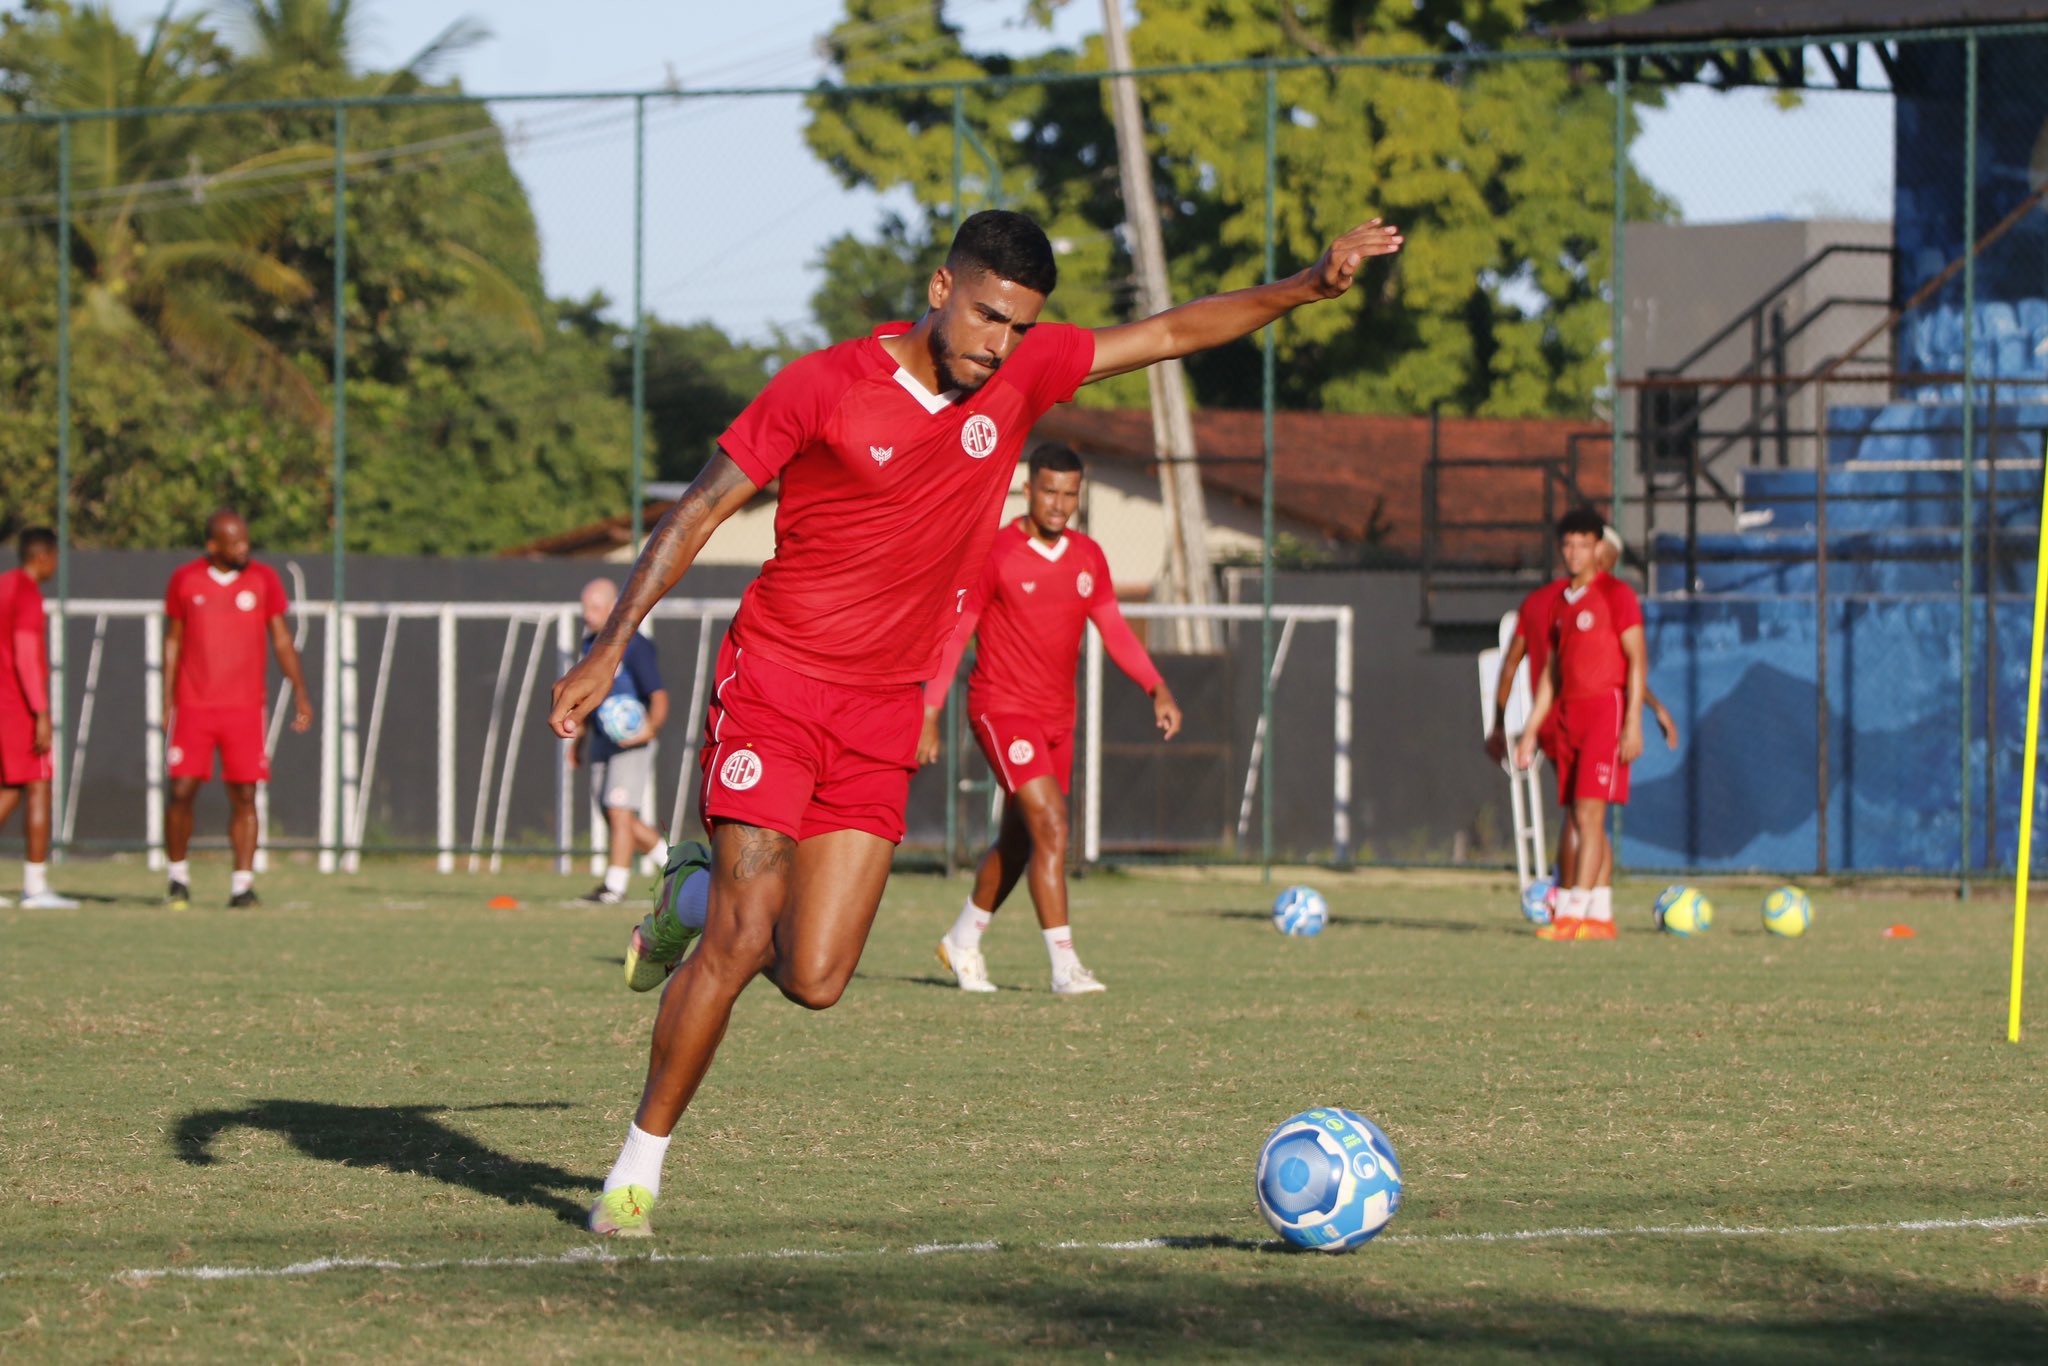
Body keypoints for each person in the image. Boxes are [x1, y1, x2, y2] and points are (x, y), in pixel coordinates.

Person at [549, 207, 1404, 1238]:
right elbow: (698, 507)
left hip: (880, 708)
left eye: (1019, 326)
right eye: (989, 316)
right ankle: (635, 1169)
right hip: (774, 680)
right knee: (739, 935)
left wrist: (1308, 286)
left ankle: (681, 887)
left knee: (814, 978)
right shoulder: (821, 386)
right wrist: (611, 644)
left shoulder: (1021, 375)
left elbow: (1172, 333)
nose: (998, 345)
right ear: (939, 287)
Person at [918, 443, 1179, 996]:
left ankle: (962, 940)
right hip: (1002, 709)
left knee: (1021, 840)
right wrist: (929, 711)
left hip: (1059, 719)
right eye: (1049, 491)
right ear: (1029, 490)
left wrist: (1155, 686)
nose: (1059, 504)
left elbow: (1115, 630)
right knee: (1055, 826)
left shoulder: (1089, 557)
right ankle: (1065, 966)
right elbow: (956, 635)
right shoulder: (996, 551)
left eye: (1070, 494)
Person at [1486, 525, 1677, 896]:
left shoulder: (1544, 601)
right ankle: (1574, 899)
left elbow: (1512, 664)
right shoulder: (1590, 601)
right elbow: (1619, 666)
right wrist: (1648, 710)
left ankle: (1587, 900)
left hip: (1549, 719)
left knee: (1584, 815)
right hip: (1580, 716)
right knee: (1583, 815)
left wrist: (1501, 724)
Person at [162, 510, 314, 909]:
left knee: (245, 793)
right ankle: (177, 878)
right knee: (181, 790)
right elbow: (173, 642)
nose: (243, 547)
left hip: (244, 708)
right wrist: (165, 700)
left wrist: (299, 689)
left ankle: (241, 886)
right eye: (235, 541)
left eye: (246, 539)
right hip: (194, 705)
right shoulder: (185, 579)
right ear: (214, 546)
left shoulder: (263, 579)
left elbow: (281, 639)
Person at [1514, 509, 1646, 941]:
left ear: (1599, 548)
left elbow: (1637, 660)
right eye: (1568, 544)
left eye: (1584, 544)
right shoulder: (1558, 603)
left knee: (1589, 816)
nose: (1575, 553)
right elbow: (1551, 674)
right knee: (1581, 815)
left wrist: (1632, 723)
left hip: (1604, 713)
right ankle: (1601, 915)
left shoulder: (1616, 594)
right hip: (1567, 716)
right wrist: (1532, 730)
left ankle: (1571, 913)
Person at [571, 577, 671, 904]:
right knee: (611, 812)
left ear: (614, 608)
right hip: (602, 740)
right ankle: (672, 864)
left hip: (633, 743)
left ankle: (615, 885)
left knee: (618, 810)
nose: (588, 614)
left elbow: (658, 696)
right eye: (585, 608)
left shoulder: (636, 645)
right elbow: (588, 698)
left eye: (595, 607)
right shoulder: (589, 646)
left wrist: (650, 729)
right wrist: (578, 743)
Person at [0, 527, 78, 909]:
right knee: (39, 785)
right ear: (43, 555)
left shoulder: (3, 586)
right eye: (56, 555)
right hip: (16, 705)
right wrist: (41, 712)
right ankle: (35, 886)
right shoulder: (27, 594)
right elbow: (25, 655)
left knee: (11, 789)